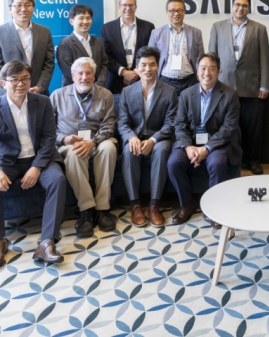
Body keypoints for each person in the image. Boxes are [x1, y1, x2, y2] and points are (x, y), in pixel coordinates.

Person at [0, 61, 67, 268]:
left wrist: (36, 167)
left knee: (57, 180)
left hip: (40, 158)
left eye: (25, 79)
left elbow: (49, 138)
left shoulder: (43, 102)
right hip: (9, 162)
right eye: (14, 80)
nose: (20, 83)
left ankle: (47, 242)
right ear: (3, 83)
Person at [167, 52, 242, 228]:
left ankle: (216, 209)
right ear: (197, 71)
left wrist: (206, 148)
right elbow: (180, 124)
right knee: (173, 163)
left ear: (219, 71)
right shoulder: (186, 94)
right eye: (203, 68)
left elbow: (229, 128)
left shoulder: (230, 95)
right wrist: (188, 147)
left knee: (216, 163)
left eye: (212, 68)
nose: (207, 73)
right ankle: (187, 204)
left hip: (218, 143)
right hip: (191, 143)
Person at [51, 57, 118, 238]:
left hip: (98, 141)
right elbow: (47, 129)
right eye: (80, 73)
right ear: (73, 76)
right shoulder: (57, 95)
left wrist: (93, 142)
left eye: (88, 73)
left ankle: (102, 209)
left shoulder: (105, 95)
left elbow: (109, 125)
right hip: (69, 144)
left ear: (94, 76)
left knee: (109, 149)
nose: (84, 77)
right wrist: (64, 138)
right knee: (75, 153)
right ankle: (86, 210)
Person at [208, 0, 269, 175]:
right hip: (224, 86)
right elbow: (211, 57)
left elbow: (264, 59)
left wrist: (264, 85)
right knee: (227, 126)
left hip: (251, 86)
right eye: (237, 4)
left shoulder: (259, 29)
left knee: (253, 128)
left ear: (248, 9)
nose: (240, 8)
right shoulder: (217, 27)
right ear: (232, 6)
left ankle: (253, 160)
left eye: (244, 5)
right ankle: (231, 159)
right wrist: (211, 83)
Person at [118, 46, 178, 228]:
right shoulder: (127, 92)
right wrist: (131, 137)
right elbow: (122, 123)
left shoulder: (169, 91)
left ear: (158, 67)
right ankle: (135, 204)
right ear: (137, 68)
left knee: (161, 149)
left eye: (152, 64)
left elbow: (171, 123)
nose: (148, 69)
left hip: (159, 138)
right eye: (143, 65)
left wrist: (153, 140)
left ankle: (154, 204)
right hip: (136, 137)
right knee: (129, 151)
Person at [0, 0, 55, 99]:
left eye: (28, 5)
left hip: (37, 93)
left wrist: (40, 86)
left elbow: (49, 63)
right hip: (7, 94)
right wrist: (13, 88)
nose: (23, 9)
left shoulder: (44, 32)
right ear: (10, 9)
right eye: (18, 5)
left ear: (33, 8)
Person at [148, 0, 204, 96]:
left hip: (190, 81)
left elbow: (201, 58)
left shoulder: (196, 32)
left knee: (190, 106)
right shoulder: (156, 33)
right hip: (165, 81)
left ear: (185, 11)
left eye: (180, 10)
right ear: (167, 12)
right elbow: (150, 59)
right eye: (172, 10)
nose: (176, 14)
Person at [101, 0, 155, 97]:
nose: (128, 8)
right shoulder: (107, 28)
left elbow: (150, 53)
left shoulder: (148, 27)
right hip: (115, 80)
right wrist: (123, 72)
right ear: (119, 7)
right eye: (124, 5)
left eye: (131, 5)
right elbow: (106, 55)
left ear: (136, 7)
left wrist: (135, 72)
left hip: (141, 78)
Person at [56, 4, 109, 87]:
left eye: (88, 18)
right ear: (71, 21)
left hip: (98, 89)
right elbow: (68, 72)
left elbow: (104, 64)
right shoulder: (65, 44)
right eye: (81, 18)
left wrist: (99, 84)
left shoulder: (98, 42)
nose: (85, 21)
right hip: (74, 89)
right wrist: (87, 85)